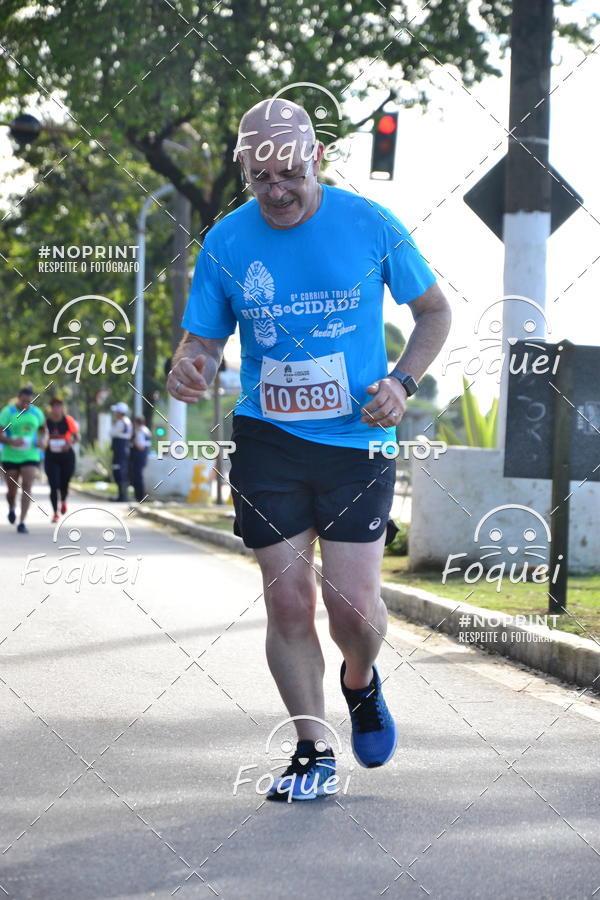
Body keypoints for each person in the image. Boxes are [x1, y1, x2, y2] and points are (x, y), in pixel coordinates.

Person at [168, 100, 451, 801]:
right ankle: (311, 748)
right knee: (288, 603)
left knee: (351, 605)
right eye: (259, 177)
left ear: (317, 156)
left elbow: (435, 312)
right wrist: (189, 363)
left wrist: (402, 381)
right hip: (268, 438)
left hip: (359, 438)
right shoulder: (228, 242)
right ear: (243, 170)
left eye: (289, 173)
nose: (277, 191)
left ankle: (360, 680)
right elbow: (202, 340)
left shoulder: (370, 224)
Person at [0, 386, 47, 534]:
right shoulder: (8, 412)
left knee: (27, 486)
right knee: (11, 490)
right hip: (10, 456)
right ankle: (12, 506)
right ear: (18, 399)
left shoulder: (36, 413)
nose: (26, 404)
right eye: (24, 401)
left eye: (29, 401)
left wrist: (42, 441)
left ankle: (22, 521)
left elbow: (43, 430)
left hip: (30, 455)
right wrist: (11, 442)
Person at [44, 397, 80, 522]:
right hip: (51, 457)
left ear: (62, 408)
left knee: (64, 483)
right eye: (54, 406)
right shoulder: (46, 422)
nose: (56, 409)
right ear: (51, 408)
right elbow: (41, 436)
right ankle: (55, 513)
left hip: (66, 456)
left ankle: (63, 500)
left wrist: (69, 445)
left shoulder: (68, 420)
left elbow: (77, 437)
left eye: (58, 406)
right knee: (54, 485)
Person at [109, 402, 132, 502]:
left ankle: (122, 496)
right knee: (121, 471)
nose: (115, 414)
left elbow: (111, 433)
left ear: (119, 412)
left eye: (116, 412)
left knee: (119, 471)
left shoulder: (120, 423)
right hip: (124, 449)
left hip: (120, 450)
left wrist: (113, 423)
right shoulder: (128, 421)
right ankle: (122, 495)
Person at [130, 414, 151, 502]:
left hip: (139, 456)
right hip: (144, 455)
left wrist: (133, 442)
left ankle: (139, 496)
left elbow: (140, 446)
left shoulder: (140, 432)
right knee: (139, 475)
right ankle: (140, 496)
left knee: (137, 476)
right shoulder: (146, 430)